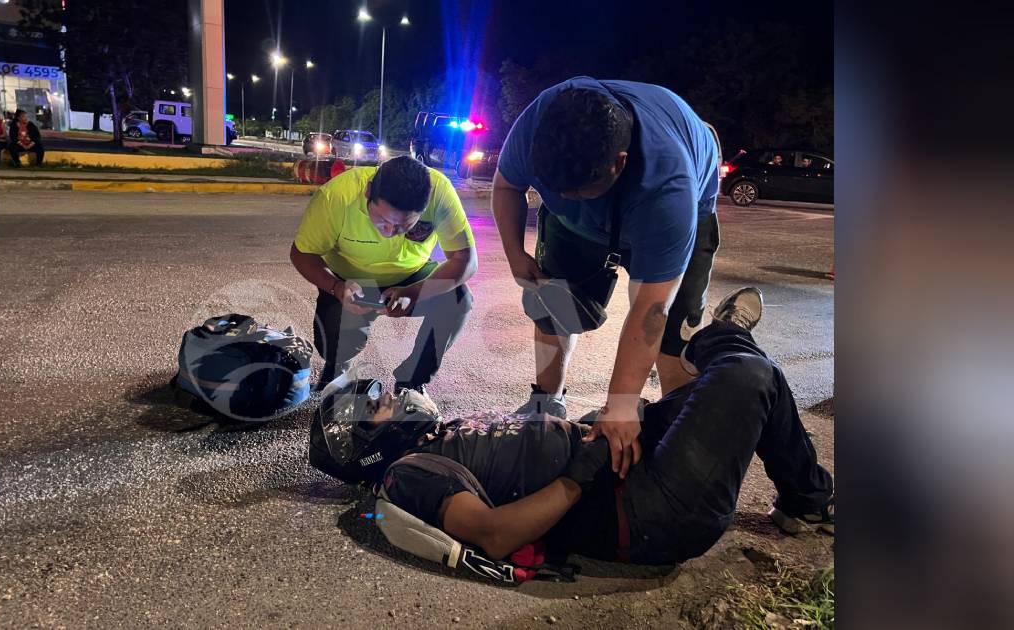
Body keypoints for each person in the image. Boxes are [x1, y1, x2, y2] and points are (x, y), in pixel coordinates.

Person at [310, 287, 834, 567]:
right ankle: (718, 339)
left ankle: (807, 500)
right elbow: (495, 536)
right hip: (644, 511)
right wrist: (582, 467)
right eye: (377, 402)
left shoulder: (436, 437)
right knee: (748, 375)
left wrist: (590, 426)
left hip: (630, 463)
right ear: (365, 444)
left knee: (748, 385)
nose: (393, 392)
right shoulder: (408, 474)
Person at [491, 77, 721, 477]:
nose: (567, 199)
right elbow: (507, 185)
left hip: (672, 214)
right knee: (553, 305)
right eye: (555, 189)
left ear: (619, 162)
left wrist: (620, 402)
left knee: (674, 340)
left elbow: (650, 310)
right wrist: (514, 253)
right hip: (573, 230)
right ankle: (546, 402)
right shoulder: (538, 123)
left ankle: (676, 434)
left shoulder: (668, 188)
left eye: (579, 192)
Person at [290, 156, 477, 393]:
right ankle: (338, 364)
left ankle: (412, 381)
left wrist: (416, 293)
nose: (390, 232)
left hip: (413, 275)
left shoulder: (439, 192)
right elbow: (301, 254)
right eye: (383, 220)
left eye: (404, 226)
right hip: (349, 279)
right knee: (333, 346)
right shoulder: (336, 197)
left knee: (458, 299)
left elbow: (465, 261)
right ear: (368, 192)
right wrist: (337, 288)